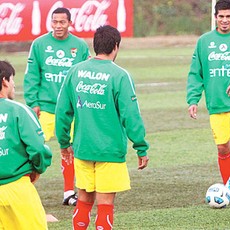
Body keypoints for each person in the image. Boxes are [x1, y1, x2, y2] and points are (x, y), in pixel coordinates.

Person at [55, 25, 149, 230]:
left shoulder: (75, 71)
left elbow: (62, 111)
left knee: (83, 202)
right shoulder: (120, 76)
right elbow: (131, 116)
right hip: (109, 151)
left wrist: (64, 143)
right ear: (116, 47)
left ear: (95, 45)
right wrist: (141, 147)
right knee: (105, 207)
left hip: (83, 148)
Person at [186, 0, 230, 202]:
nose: (224, 20)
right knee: (223, 148)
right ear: (215, 17)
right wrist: (193, 99)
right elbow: (195, 73)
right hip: (216, 103)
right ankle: (228, 191)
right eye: (221, 16)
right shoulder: (204, 42)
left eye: (228, 16)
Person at [24, 7, 90, 206]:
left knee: (69, 149)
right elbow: (32, 75)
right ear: (50, 23)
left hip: (70, 110)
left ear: (70, 23)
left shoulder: (79, 46)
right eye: (55, 22)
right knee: (32, 148)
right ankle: (24, 191)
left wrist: (82, 103)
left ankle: (69, 193)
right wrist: (33, 102)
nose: (58, 26)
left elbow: (84, 77)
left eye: (62, 22)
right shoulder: (39, 44)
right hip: (45, 108)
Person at [0, 60, 52, 229]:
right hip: (18, 189)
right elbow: (37, 148)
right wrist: (38, 168)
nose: (14, 84)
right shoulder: (19, 110)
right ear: (5, 81)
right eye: (13, 79)